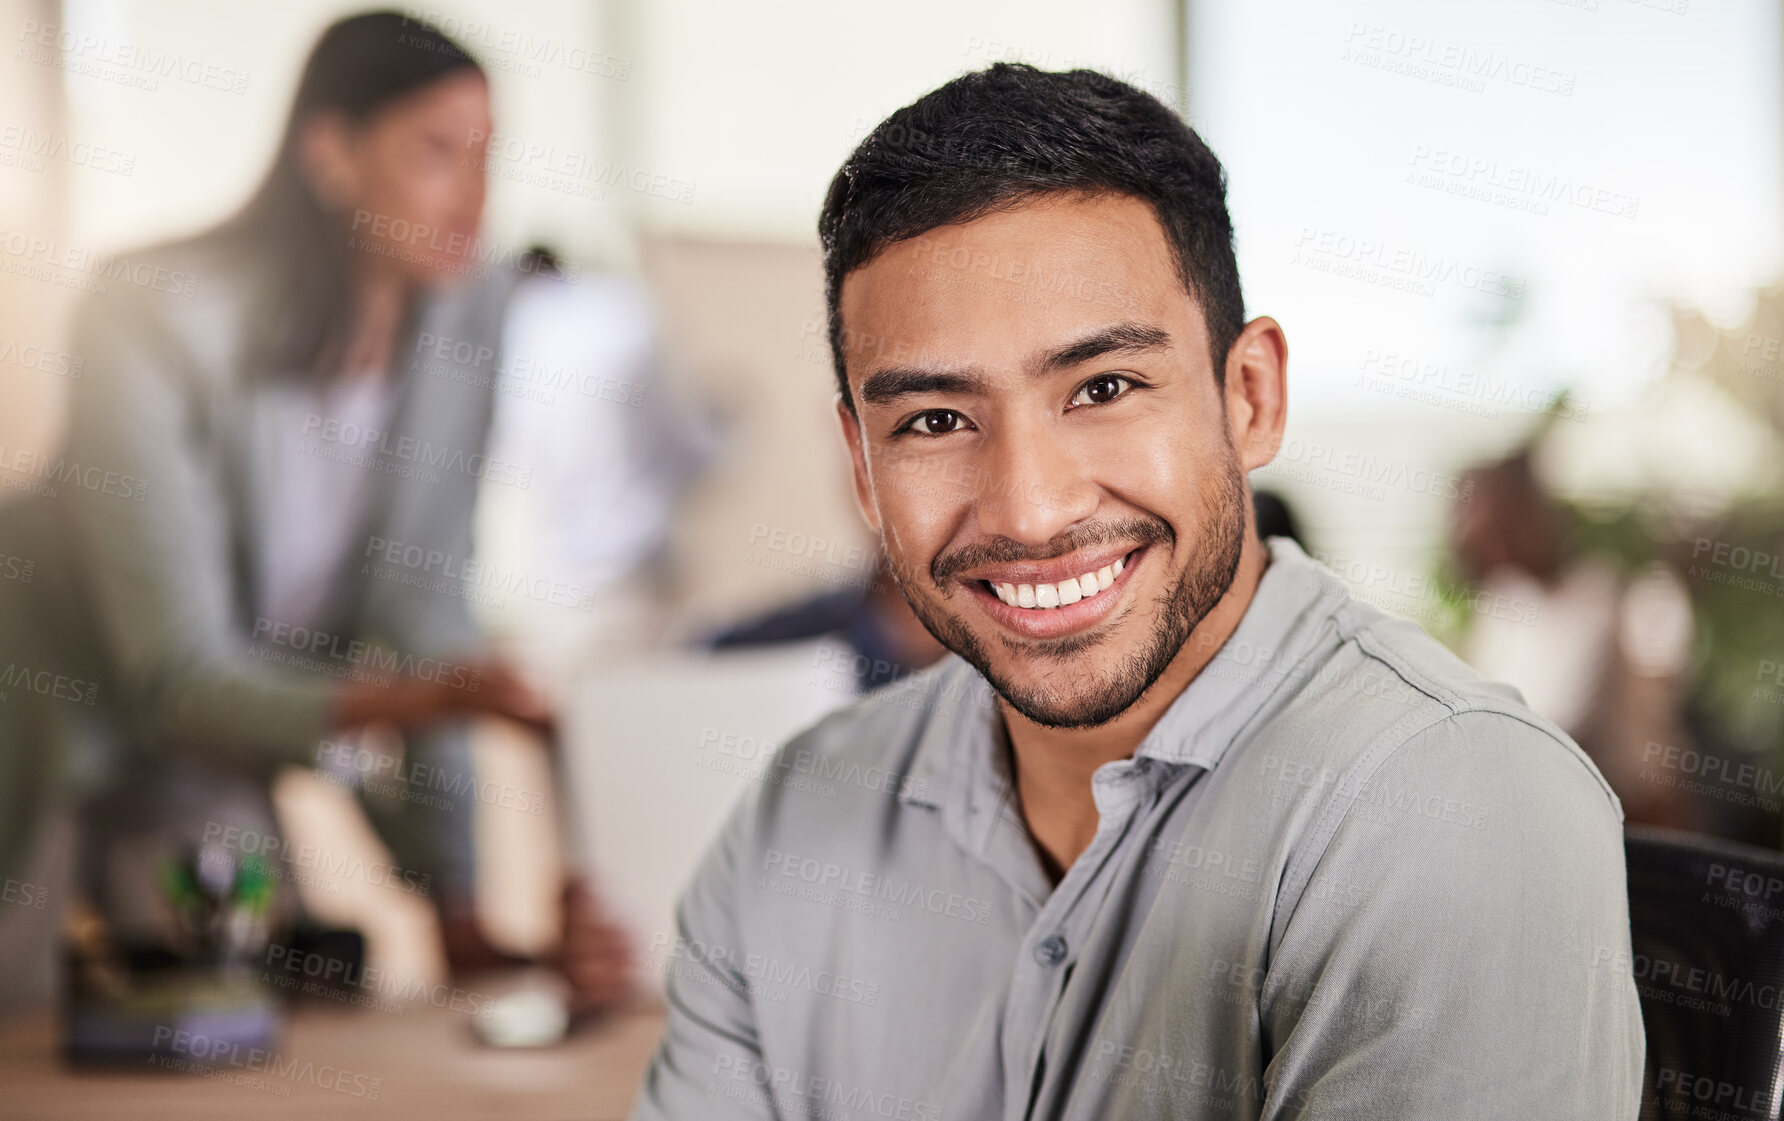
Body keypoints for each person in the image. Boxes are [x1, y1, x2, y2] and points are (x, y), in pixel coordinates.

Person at [629, 65, 1643, 1120]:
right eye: (932, 420)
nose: (1025, 509)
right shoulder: (798, 810)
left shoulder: (1452, 807)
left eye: (1102, 388)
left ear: (1247, 397)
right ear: (861, 471)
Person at [0, 12, 631, 1012]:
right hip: (48, 707)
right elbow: (176, 669)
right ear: (329, 154)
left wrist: (452, 903)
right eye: (435, 153)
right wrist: (431, 700)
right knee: (21, 1016)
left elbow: (424, 608)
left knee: (244, 1003)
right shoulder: (147, 311)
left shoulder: (465, 313)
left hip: (204, 750)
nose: (472, 196)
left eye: (485, 158)